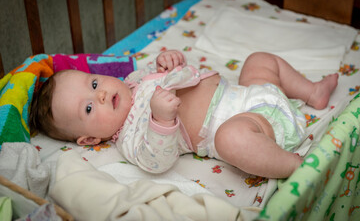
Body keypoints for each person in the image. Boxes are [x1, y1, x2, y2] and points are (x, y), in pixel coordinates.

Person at [30, 50, 338, 178]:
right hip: (254, 127)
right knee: (230, 139)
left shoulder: (136, 80)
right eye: (88, 108)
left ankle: (312, 92)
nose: (98, 94)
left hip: (250, 94)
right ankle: (296, 165)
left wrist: (170, 60)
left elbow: (179, 75)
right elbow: (157, 162)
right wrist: (161, 119)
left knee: (258, 59)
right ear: (89, 139)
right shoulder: (128, 136)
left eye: (93, 83)